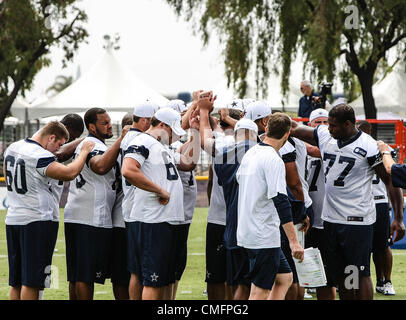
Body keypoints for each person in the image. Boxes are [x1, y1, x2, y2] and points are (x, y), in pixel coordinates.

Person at [290, 103, 405, 300]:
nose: (329, 128)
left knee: (359, 274)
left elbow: (390, 181)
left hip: (357, 221)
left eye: (334, 125)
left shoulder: (368, 146)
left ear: (348, 124)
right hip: (331, 219)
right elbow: (294, 128)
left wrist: (398, 216)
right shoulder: (327, 135)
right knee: (342, 273)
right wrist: (272, 119)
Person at [4, 121, 94, 300]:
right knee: (32, 282)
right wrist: (84, 151)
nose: (57, 150)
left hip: (13, 218)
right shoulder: (39, 155)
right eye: (59, 145)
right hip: (36, 220)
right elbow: (69, 172)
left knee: (17, 281)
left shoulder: (13, 147)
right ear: (51, 137)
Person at [122, 107, 200, 300]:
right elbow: (129, 170)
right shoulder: (142, 141)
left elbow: (188, 162)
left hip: (161, 220)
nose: (175, 137)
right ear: (163, 125)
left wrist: (196, 133)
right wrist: (159, 190)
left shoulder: (160, 146)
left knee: (156, 277)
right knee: (152, 280)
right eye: (173, 131)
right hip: (152, 220)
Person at [63, 108, 130, 300]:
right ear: (91, 127)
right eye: (104, 123)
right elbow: (100, 166)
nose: (110, 125)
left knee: (77, 275)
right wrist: (120, 140)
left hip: (78, 214)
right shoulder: (93, 145)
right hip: (91, 217)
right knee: (85, 275)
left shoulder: (91, 143)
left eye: (110, 121)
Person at [236, 112, 304, 300]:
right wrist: (294, 241)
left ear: (266, 129)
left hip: (248, 230)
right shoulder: (273, 159)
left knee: (284, 277)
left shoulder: (252, 152)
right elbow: (280, 200)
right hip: (263, 235)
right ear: (287, 134)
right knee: (260, 291)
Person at [199, 93, 243, 300]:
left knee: (215, 276)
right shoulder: (252, 140)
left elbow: (209, 181)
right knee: (240, 277)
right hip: (243, 218)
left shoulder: (219, 140)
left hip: (218, 216)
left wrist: (204, 110)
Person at [214, 119, 258, 300]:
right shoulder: (259, 151)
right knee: (260, 283)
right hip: (256, 225)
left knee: (239, 283)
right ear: (254, 134)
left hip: (233, 223)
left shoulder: (222, 156)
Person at [120, 102, 158, 300]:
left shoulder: (130, 137)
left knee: (138, 270)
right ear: (145, 121)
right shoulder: (139, 138)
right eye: (154, 122)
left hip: (134, 206)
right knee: (140, 270)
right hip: (138, 207)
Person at [357, 121, 395, 295]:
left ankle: (385, 280)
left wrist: (398, 214)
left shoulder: (380, 148)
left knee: (382, 246)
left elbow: (393, 180)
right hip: (361, 202)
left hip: (377, 201)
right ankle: (378, 281)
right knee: (368, 247)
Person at [166, 98, 199, 300]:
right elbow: (188, 162)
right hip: (173, 213)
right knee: (169, 265)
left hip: (182, 213)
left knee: (177, 264)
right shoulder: (168, 143)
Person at [305, 108, 336, 300]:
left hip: (328, 220)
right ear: (309, 126)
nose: (323, 127)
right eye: (318, 123)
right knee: (305, 273)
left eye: (327, 123)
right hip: (307, 218)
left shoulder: (333, 147)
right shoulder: (298, 148)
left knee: (329, 276)